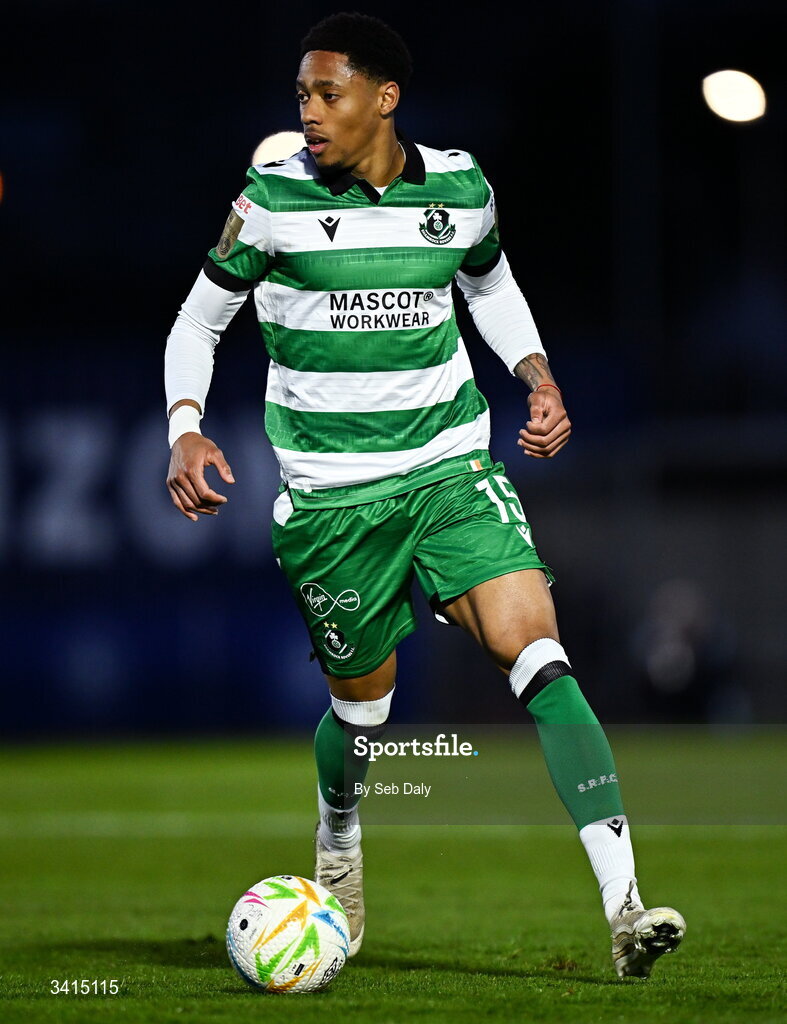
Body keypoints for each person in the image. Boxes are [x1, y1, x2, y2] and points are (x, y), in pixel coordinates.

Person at [164, 12, 685, 978]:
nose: (310, 114)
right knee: (364, 716)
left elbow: (489, 285)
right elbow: (198, 322)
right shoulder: (269, 200)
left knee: (537, 650)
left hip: (448, 467)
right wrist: (185, 424)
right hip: (329, 502)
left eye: (328, 94)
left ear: (383, 97)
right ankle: (340, 838)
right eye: (302, 97)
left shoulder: (460, 185)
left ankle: (625, 905)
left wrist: (536, 375)